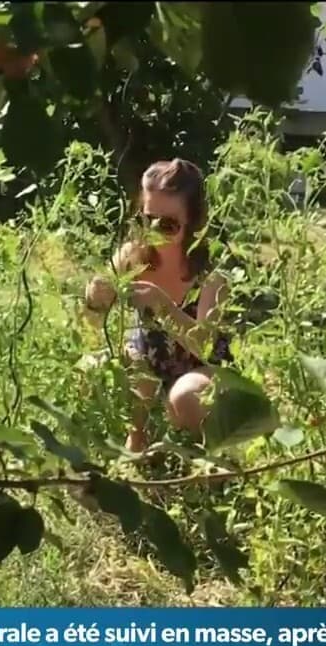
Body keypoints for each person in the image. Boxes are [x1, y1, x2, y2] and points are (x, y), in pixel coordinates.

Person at [84, 159, 232, 453]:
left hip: (203, 370)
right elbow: (93, 316)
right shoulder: (133, 254)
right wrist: (95, 296)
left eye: (168, 224)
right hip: (149, 365)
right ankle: (134, 447)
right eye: (148, 219)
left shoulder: (211, 271)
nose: (154, 232)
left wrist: (162, 306)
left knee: (185, 395)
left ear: (192, 221)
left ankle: (210, 458)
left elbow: (204, 346)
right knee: (94, 369)